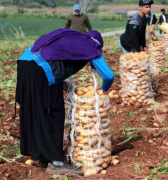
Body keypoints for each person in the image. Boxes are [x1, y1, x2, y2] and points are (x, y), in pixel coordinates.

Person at [16, 29, 114, 175]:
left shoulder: (72, 39)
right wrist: (102, 89)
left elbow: (53, 57)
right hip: (40, 69)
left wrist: (62, 84)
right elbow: (108, 76)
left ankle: (43, 157)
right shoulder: (92, 45)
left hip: (25, 65)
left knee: (37, 112)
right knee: (54, 113)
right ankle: (56, 163)